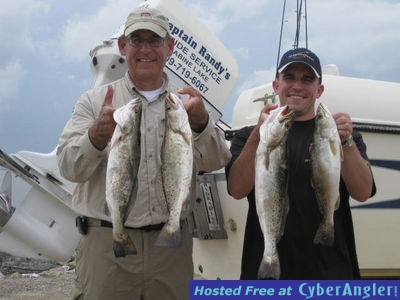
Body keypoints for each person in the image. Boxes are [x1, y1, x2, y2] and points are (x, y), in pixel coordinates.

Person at [57, 6, 231, 300]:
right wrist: (95, 137)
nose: (146, 49)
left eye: (155, 41)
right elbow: (68, 167)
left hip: (171, 251)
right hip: (106, 247)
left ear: (170, 48)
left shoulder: (187, 105)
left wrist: (201, 123)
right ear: (123, 46)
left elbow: (217, 160)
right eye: (137, 40)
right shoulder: (93, 102)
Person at [226, 48, 376, 279]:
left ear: (319, 90)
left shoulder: (339, 136)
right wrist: (258, 134)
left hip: (330, 273)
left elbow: (363, 192)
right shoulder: (249, 137)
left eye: (307, 79)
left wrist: (346, 143)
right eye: (289, 77)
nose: (297, 85)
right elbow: (236, 189)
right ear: (276, 86)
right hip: (267, 271)